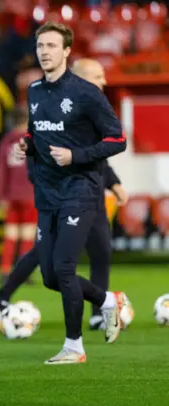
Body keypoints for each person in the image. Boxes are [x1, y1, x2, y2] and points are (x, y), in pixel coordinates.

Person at [14, 22, 128, 364]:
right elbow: (38, 134)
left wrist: (76, 156)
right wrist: (28, 147)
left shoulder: (86, 93)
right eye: (41, 46)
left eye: (51, 45)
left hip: (80, 190)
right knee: (50, 275)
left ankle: (74, 346)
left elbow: (117, 139)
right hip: (47, 193)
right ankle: (108, 300)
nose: (45, 51)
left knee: (64, 267)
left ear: (66, 51)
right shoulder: (34, 91)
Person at [0, 58, 129, 331]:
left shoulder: (93, 110)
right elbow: (39, 145)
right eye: (98, 76)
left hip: (90, 192)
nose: (103, 81)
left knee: (100, 253)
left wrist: (112, 183)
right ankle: (4, 295)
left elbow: (104, 151)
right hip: (61, 196)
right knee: (49, 261)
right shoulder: (55, 107)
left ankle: (95, 315)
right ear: (80, 78)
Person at [0, 108, 36, 285]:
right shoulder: (32, 140)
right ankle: (23, 272)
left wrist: (1, 196)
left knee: (11, 235)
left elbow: (1, 171)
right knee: (27, 235)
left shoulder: (6, 141)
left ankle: (5, 271)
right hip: (29, 193)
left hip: (11, 195)